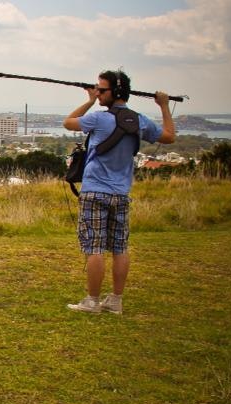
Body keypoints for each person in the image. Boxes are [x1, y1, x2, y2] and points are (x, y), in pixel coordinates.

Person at [63, 69, 175, 314]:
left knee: (94, 247)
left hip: (94, 191)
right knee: (119, 248)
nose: (99, 93)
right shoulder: (139, 121)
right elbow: (169, 136)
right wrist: (164, 106)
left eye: (102, 90)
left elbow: (68, 122)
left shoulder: (99, 119)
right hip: (121, 193)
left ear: (115, 92)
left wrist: (90, 100)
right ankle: (115, 301)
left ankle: (92, 300)